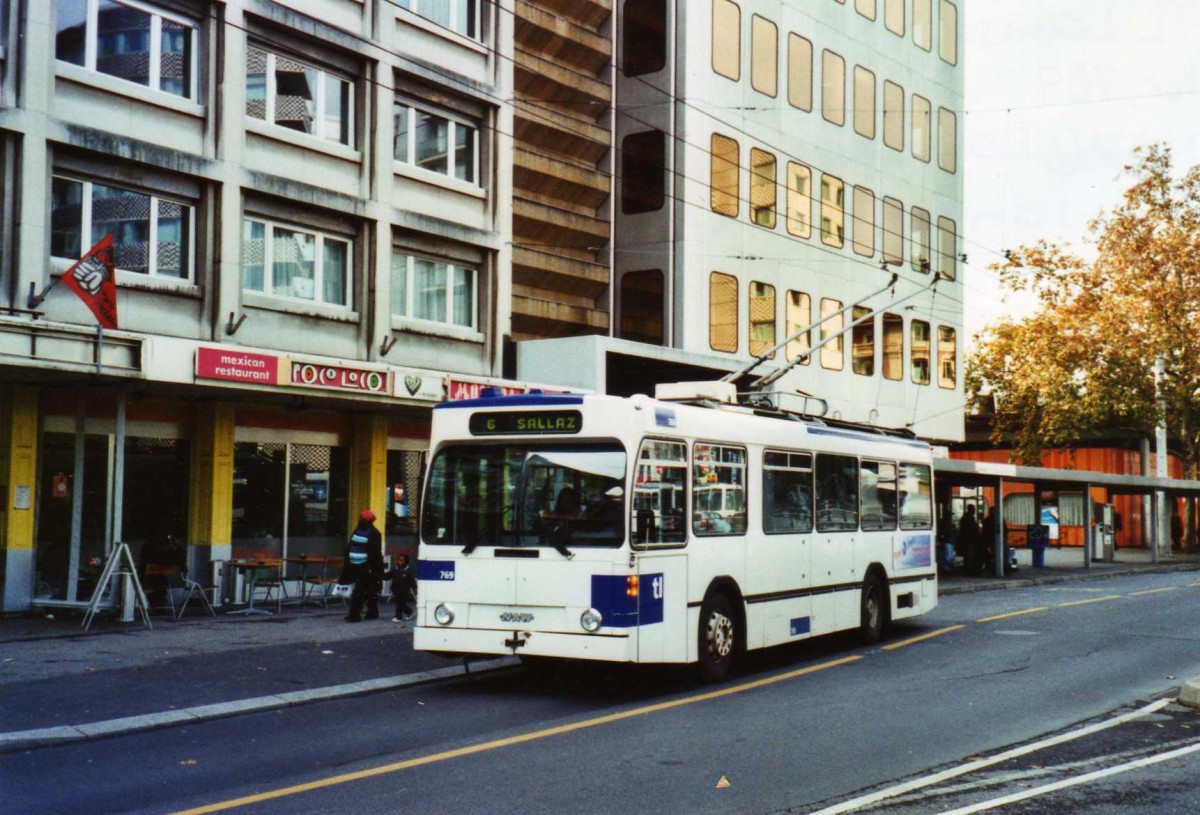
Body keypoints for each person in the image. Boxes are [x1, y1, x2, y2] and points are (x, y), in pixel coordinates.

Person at [343, 509, 384, 622]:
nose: (360, 519)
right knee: (368, 590)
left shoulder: (374, 533)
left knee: (359, 591)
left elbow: (376, 553)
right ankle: (372, 612)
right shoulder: (357, 530)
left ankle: (355, 615)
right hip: (356, 566)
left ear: (367, 520)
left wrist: (374, 569)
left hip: (365, 566)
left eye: (362, 518)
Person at [390, 552, 417, 623]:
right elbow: (389, 575)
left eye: (402, 561)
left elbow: (412, 581)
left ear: (406, 562)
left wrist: (415, 588)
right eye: (399, 560)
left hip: (404, 589)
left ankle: (398, 617)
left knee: (399, 603)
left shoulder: (407, 571)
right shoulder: (395, 569)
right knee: (401, 603)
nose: (399, 562)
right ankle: (409, 611)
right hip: (395, 588)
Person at [958, 504, 982, 574]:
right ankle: (969, 569)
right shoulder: (968, 518)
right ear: (970, 509)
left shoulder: (965, 518)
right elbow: (971, 530)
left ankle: (968, 568)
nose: (974, 511)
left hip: (967, 539)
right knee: (969, 555)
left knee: (968, 555)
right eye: (973, 509)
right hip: (969, 539)